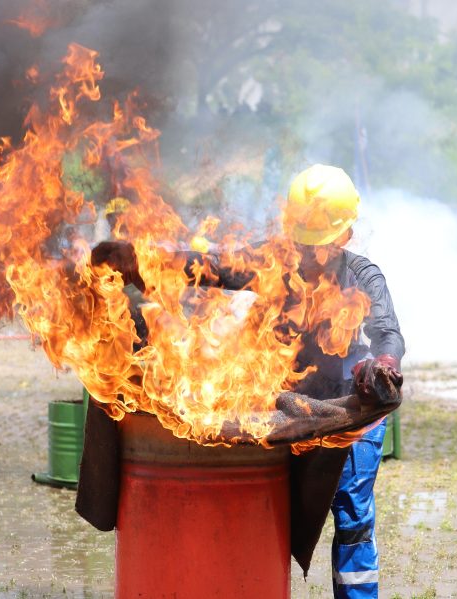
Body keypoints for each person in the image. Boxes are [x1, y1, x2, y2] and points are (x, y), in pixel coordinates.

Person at [87, 165, 404, 597]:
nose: (311, 255)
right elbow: (211, 266)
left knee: (352, 519)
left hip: (348, 412)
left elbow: (388, 334)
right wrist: (143, 260)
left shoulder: (363, 277)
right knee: (273, 508)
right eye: (304, 243)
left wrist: (382, 365)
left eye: (321, 245)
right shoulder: (274, 264)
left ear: (346, 235)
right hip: (292, 412)